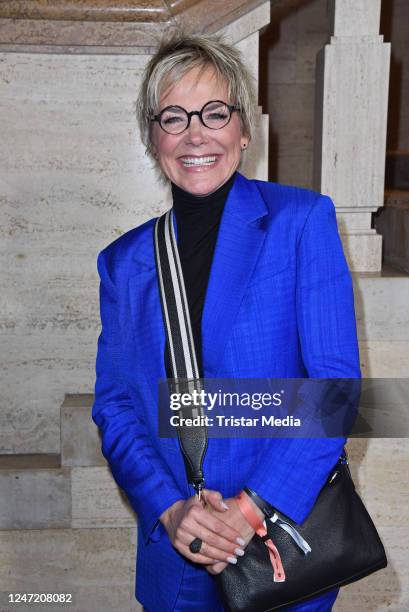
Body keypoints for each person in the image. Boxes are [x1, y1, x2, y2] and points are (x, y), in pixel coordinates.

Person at [92, 33, 361, 612]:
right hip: (177, 558)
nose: (196, 134)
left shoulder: (300, 222)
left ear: (244, 129)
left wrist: (247, 511)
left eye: (214, 112)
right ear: (151, 135)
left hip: (283, 543)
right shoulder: (123, 263)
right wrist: (169, 508)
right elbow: (114, 404)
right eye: (173, 116)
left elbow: (333, 389)